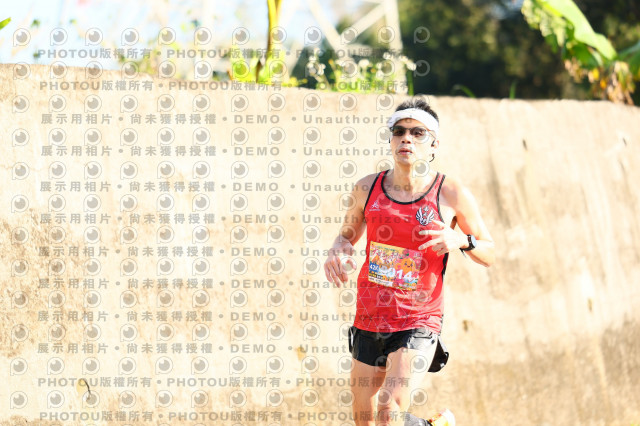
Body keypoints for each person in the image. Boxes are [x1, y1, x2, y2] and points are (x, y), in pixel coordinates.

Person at [324, 97, 495, 426]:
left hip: (418, 319)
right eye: (399, 131)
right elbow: (346, 236)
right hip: (369, 315)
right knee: (366, 420)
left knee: (388, 410)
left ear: (434, 145)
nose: (406, 138)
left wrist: (461, 240)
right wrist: (338, 248)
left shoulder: (451, 193)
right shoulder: (366, 188)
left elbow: (489, 252)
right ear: (391, 139)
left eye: (418, 133)